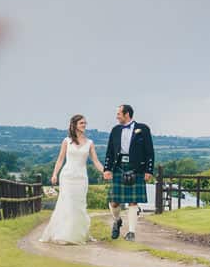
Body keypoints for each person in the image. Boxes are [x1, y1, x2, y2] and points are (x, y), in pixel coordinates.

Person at [40, 114, 103, 244]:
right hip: (67, 176)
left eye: (85, 123)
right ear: (74, 125)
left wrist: (105, 171)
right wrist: (54, 174)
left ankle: (80, 233)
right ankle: (64, 234)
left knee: (79, 205)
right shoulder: (66, 141)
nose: (84, 125)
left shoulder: (90, 143)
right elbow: (60, 159)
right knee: (67, 204)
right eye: (81, 123)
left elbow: (96, 161)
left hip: (81, 178)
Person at [105, 103, 155, 241]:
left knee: (133, 201)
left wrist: (148, 170)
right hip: (119, 167)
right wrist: (107, 169)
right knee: (114, 202)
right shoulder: (115, 130)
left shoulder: (143, 129)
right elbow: (110, 151)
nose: (117, 117)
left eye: (119, 114)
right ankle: (117, 220)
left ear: (127, 114)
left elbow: (149, 151)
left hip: (137, 168)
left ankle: (131, 232)